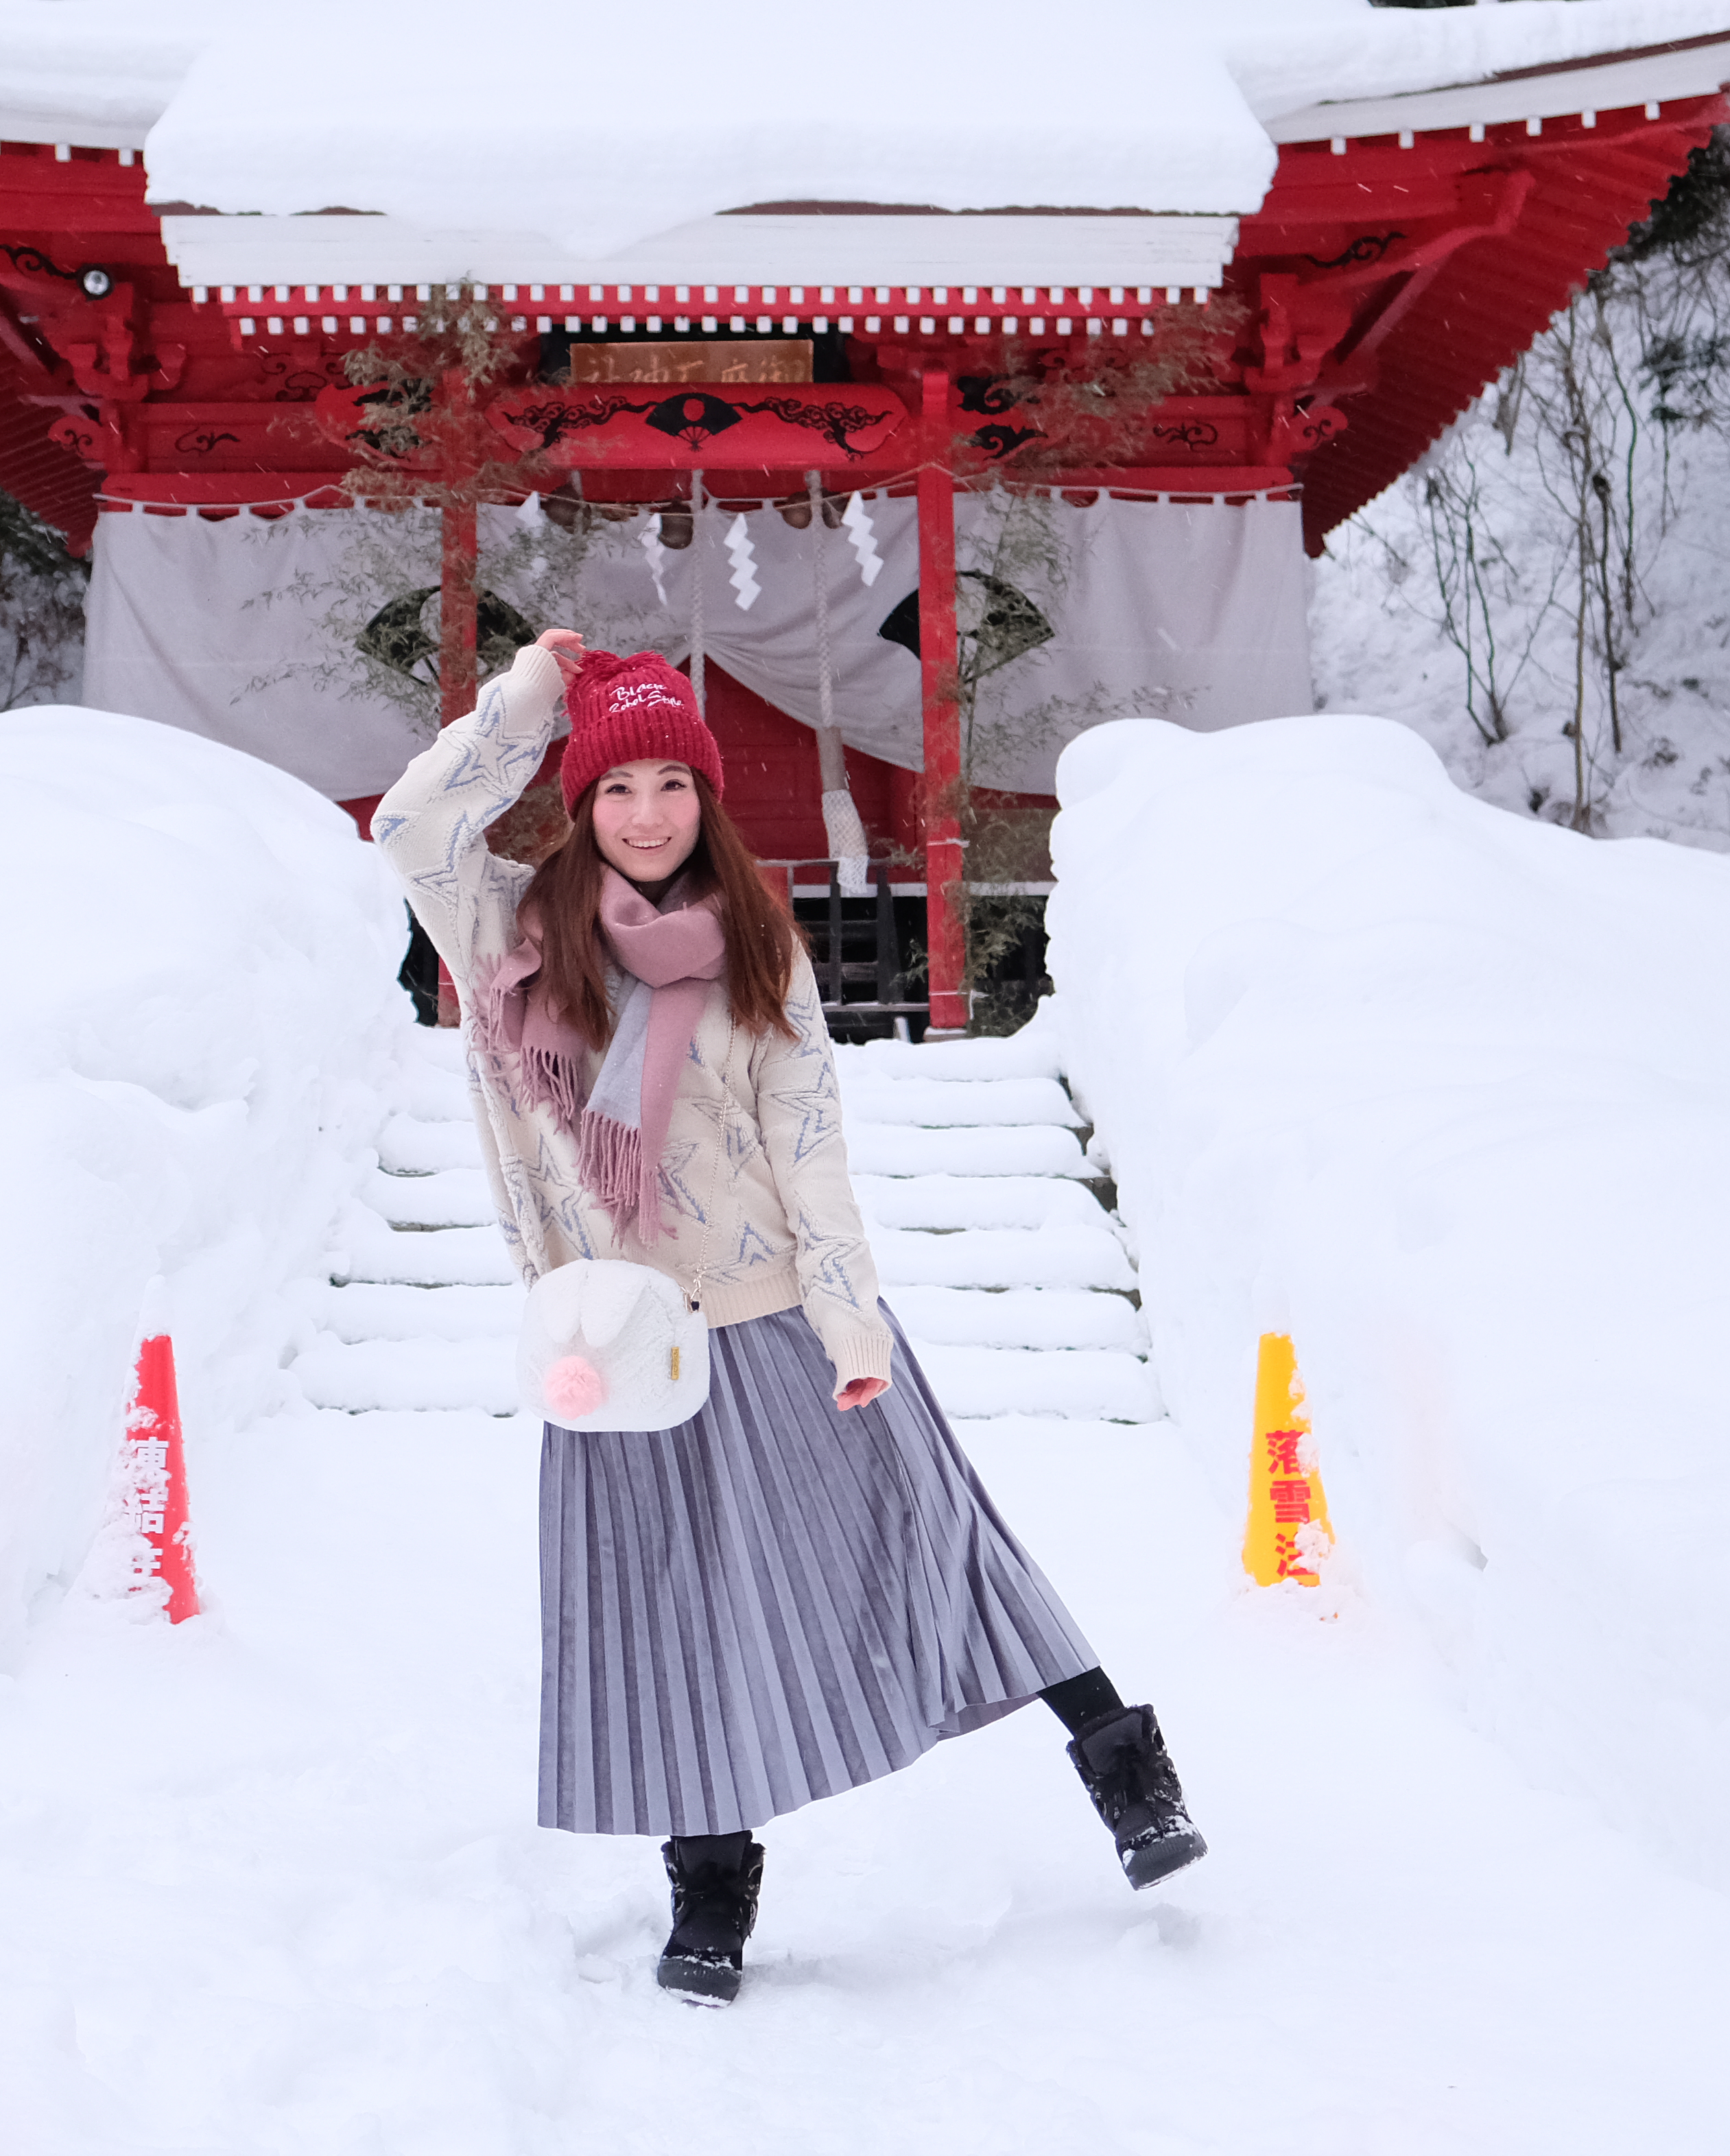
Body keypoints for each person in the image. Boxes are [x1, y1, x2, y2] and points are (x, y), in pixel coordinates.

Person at [375, 627, 1205, 2006]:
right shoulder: (510, 926)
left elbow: (808, 1143)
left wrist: (853, 1321)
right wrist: (526, 696)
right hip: (622, 1346)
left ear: (708, 799)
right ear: (579, 802)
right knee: (665, 1608)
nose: (647, 814)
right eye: (618, 786)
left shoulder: (755, 943)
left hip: (770, 1320)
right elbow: (410, 822)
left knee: (939, 1541)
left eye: (673, 785)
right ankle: (711, 1896)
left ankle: (1125, 1766)